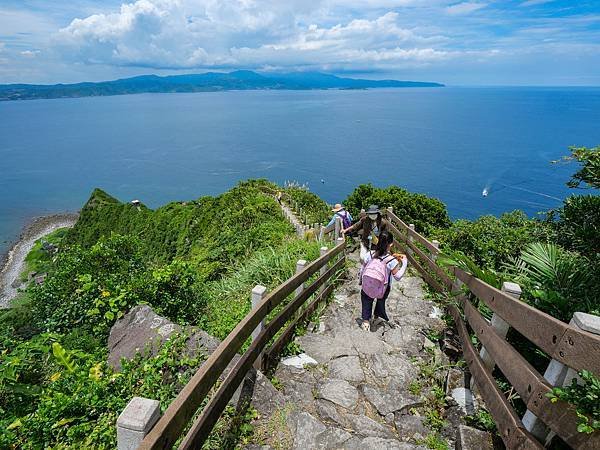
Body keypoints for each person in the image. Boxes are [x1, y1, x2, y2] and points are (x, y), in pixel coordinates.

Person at [359, 230, 407, 332]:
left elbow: (363, 268)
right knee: (380, 300)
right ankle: (376, 317)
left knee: (366, 300)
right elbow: (398, 277)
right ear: (390, 244)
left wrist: (361, 281)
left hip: (367, 284)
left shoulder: (370, 254)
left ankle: (366, 321)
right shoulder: (391, 260)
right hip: (383, 288)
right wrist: (405, 262)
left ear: (378, 241)